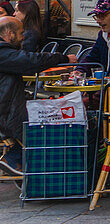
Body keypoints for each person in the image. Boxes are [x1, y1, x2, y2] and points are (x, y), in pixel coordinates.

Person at [0, 16, 71, 174]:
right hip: (5, 113)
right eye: (20, 33)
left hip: (7, 108)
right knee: (45, 122)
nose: (23, 37)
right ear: (10, 34)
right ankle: (14, 159)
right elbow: (31, 62)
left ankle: (18, 161)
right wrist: (63, 58)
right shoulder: (3, 52)